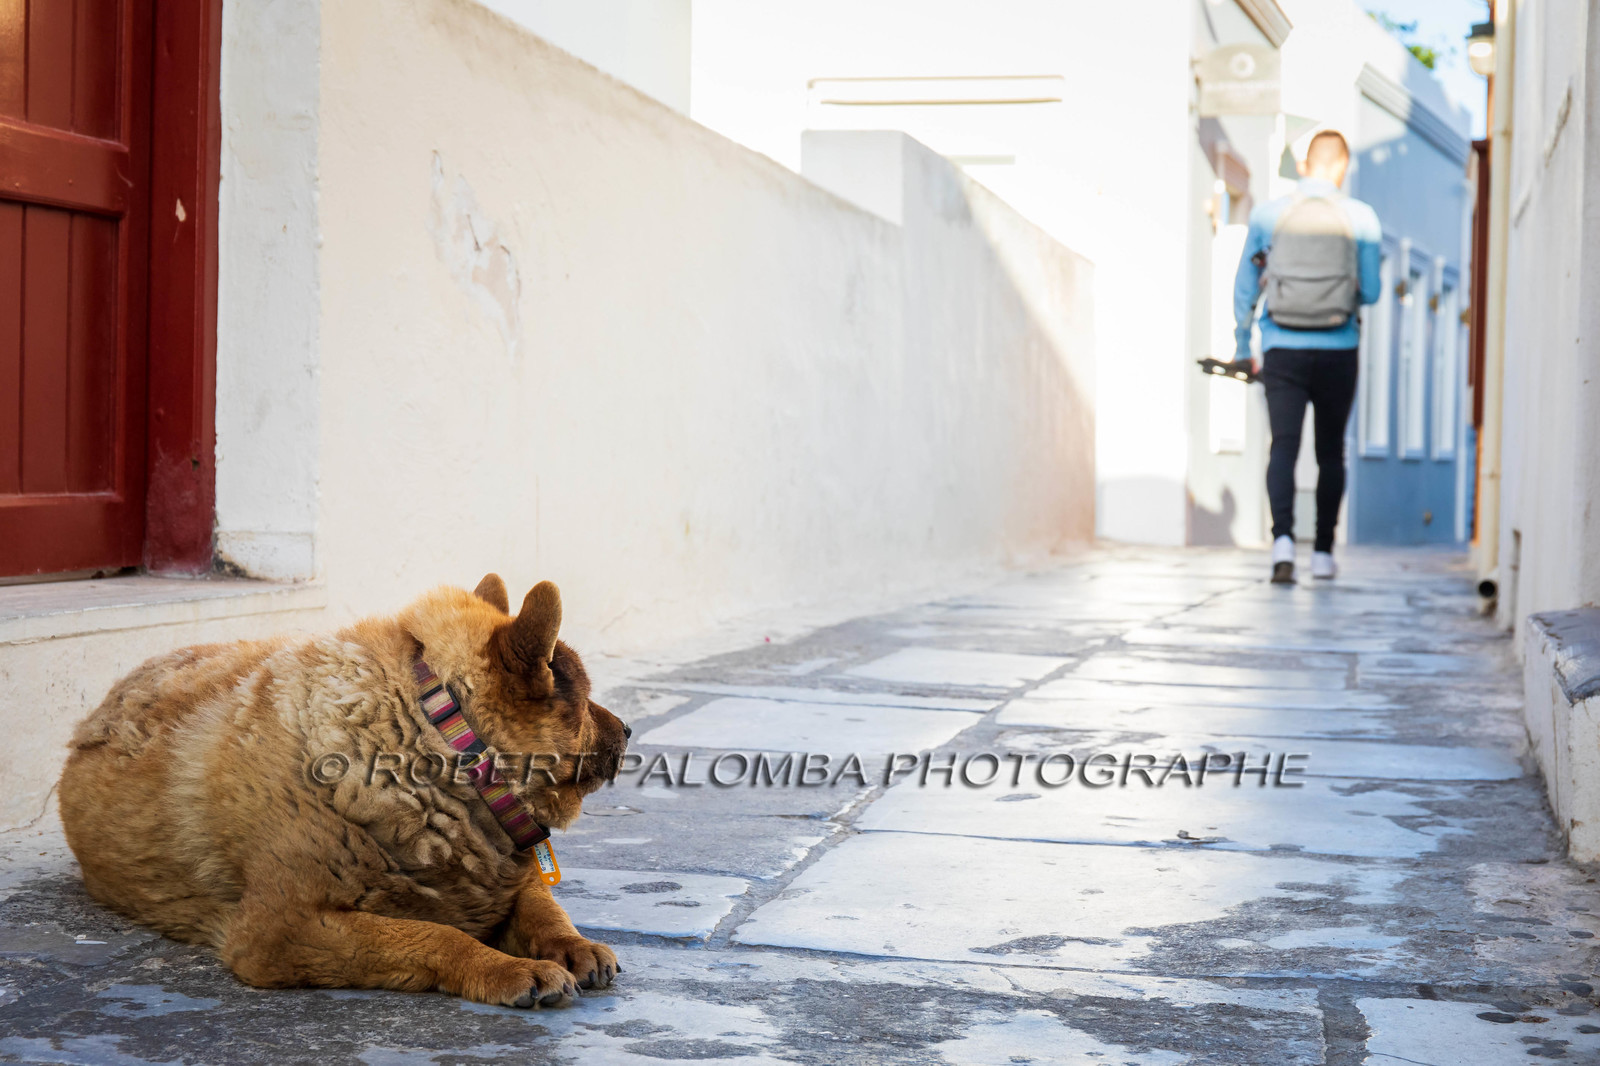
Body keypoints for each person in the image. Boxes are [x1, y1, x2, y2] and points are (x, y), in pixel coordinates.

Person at [1233, 129, 1382, 584]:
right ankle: (1321, 552)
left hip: (1282, 347)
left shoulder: (1268, 215)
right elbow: (1372, 290)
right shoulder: (1360, 218)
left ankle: (1281, 544)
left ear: (1305, 165)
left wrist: (1243, 347)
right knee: (1330, 451)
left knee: (1283, 445)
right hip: (1339, 348)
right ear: (1342, 166)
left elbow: (1245, 290)